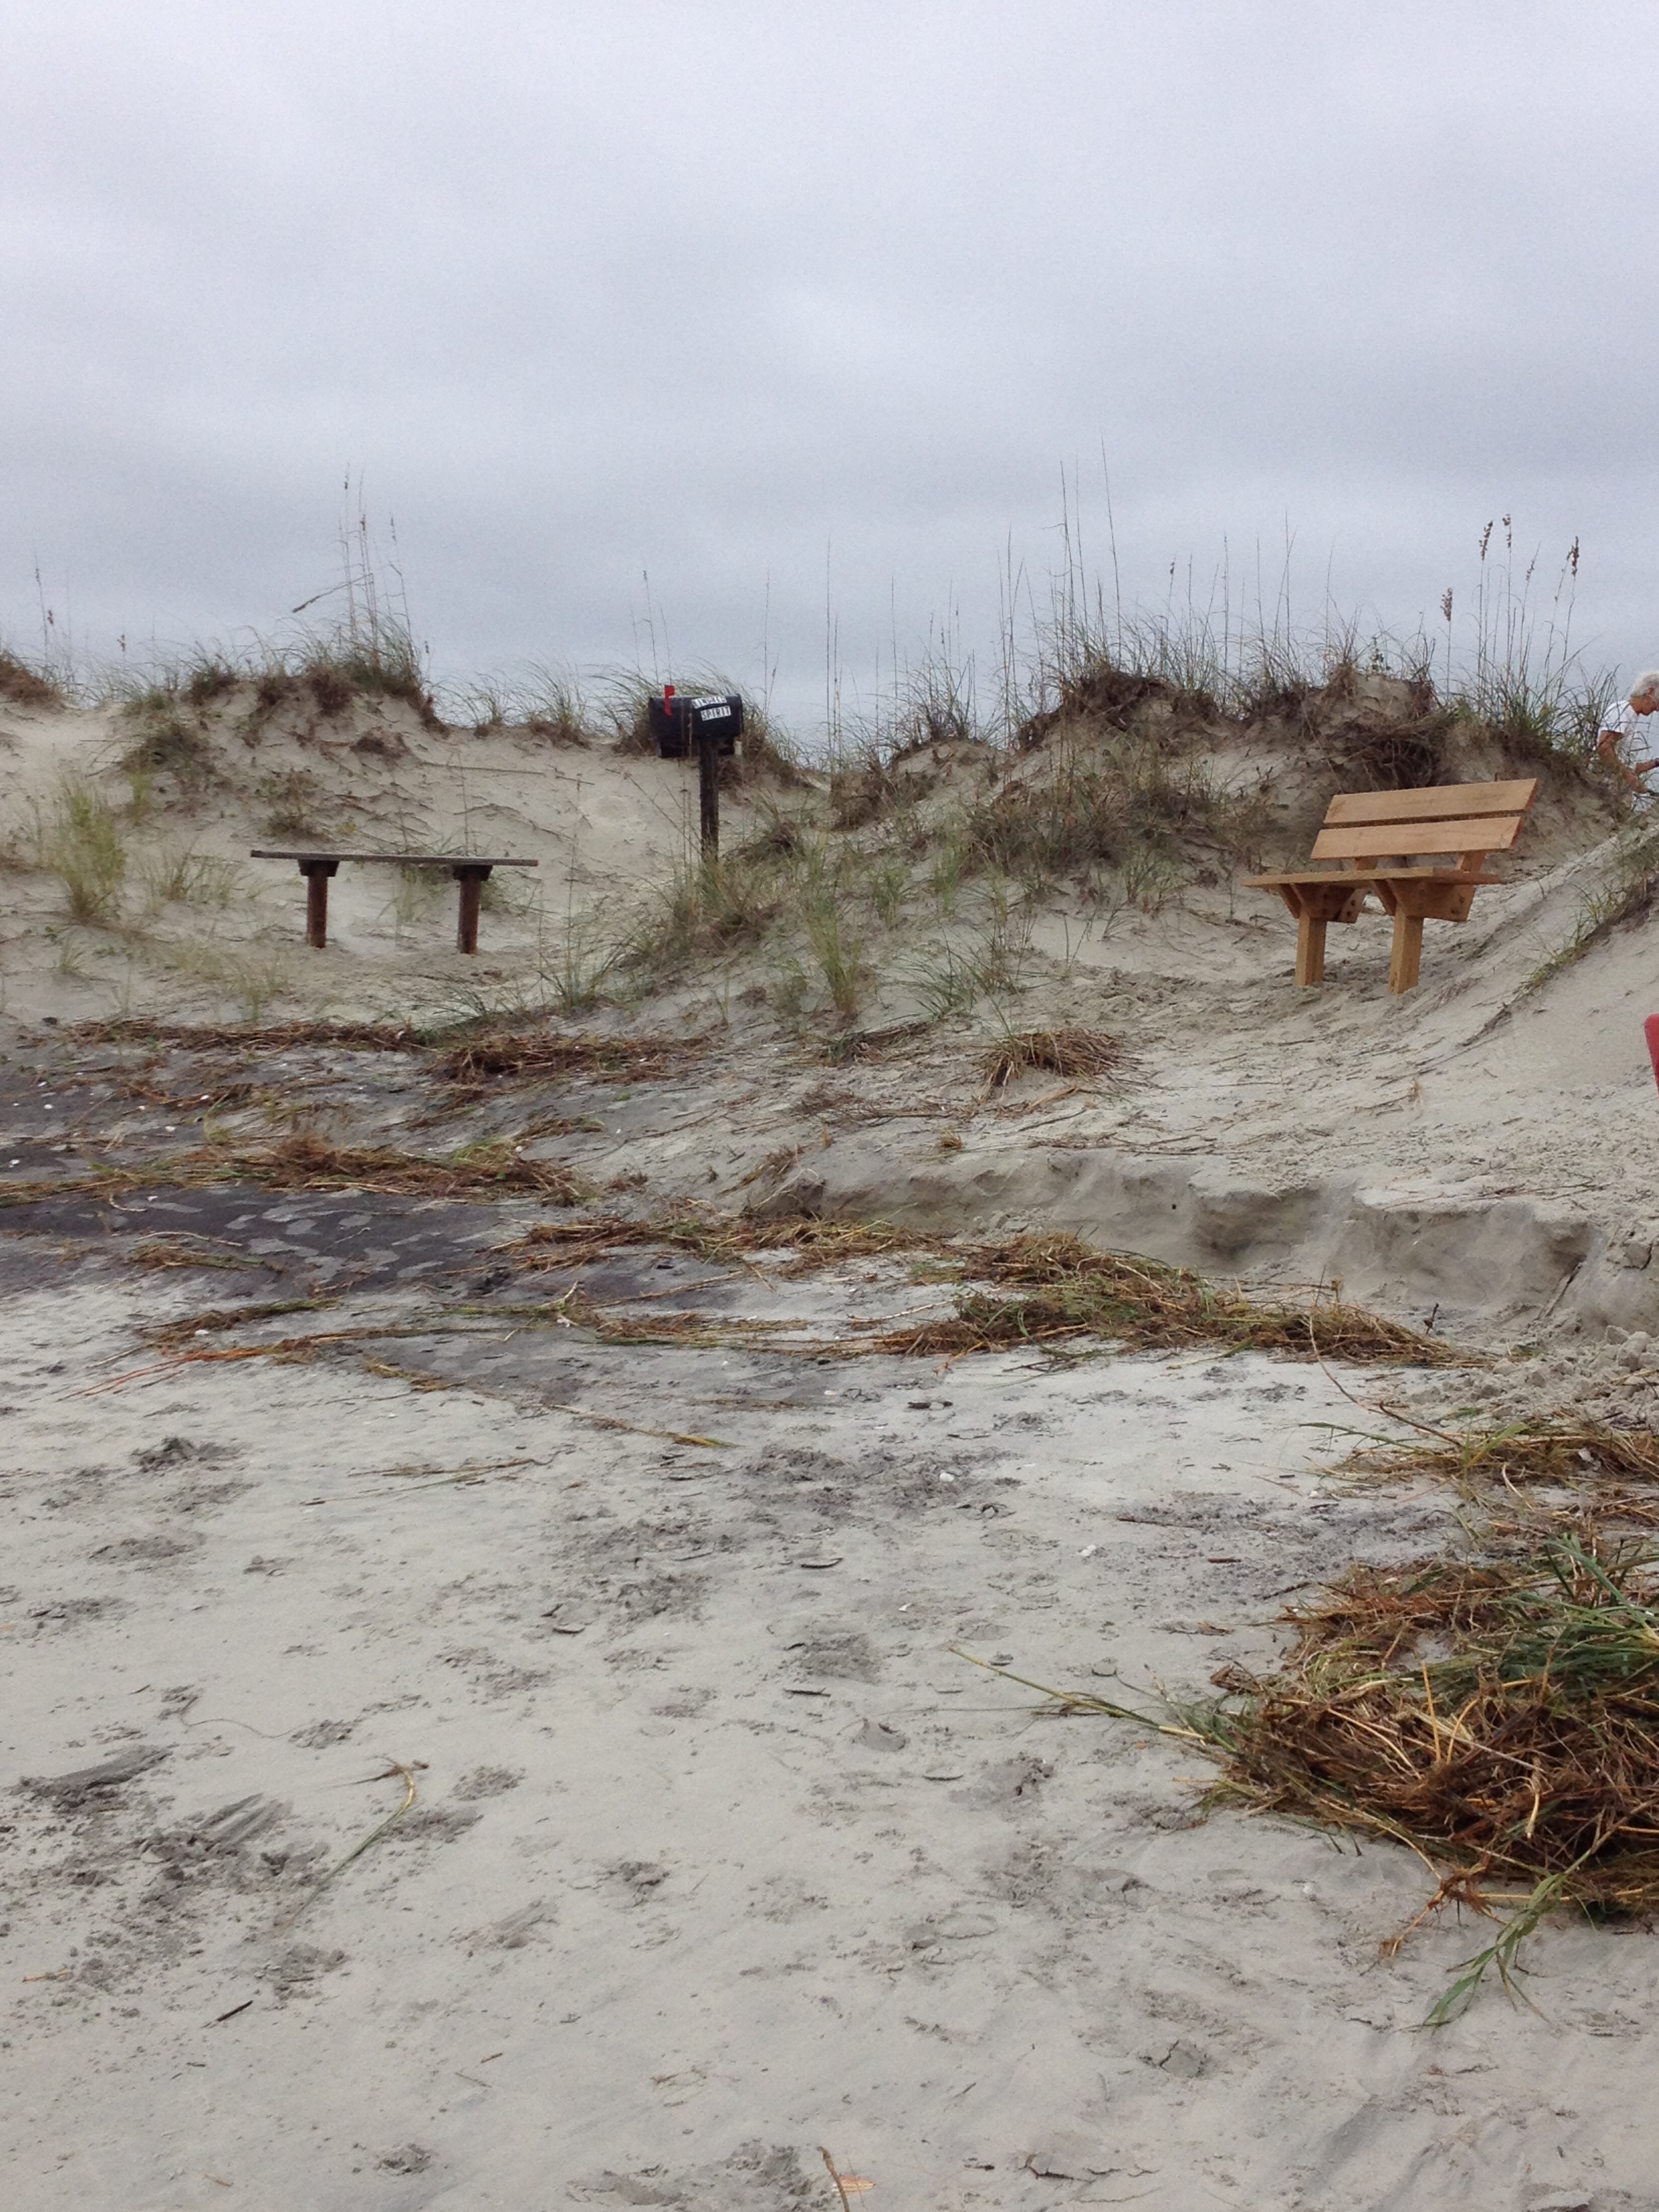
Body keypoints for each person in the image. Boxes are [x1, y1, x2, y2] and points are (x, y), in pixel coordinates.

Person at [1597, 671, 1659, 799]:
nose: (1658, 709)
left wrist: (1655, 763)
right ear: (1650, 691)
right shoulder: (1621, 711)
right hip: (1605, 789)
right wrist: (1630, 778)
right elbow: (1604, 747)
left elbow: (1627, 765)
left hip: (1617, 790)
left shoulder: (1631, 716)